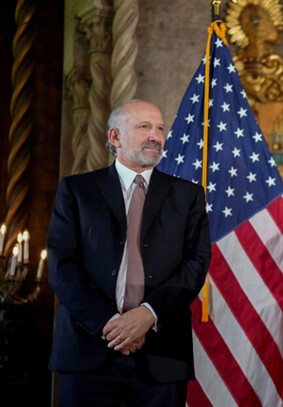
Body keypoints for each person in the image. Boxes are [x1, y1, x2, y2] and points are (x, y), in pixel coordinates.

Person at [47, 99, 211, 406]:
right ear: (115, 137)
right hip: (88, 351)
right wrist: (110, 323)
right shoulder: (76, 191)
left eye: (160, 128)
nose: (155, 135)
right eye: (144, 127)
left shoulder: (187, 195)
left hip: (162, 356)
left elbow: (196, 263)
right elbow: (61, 265)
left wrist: (148, 314)